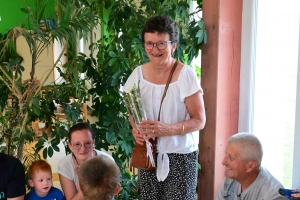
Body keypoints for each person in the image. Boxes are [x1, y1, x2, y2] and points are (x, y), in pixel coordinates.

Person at [123, 15, 206, 200]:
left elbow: (200, 121)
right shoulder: (137, 74)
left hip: (180, 158)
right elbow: (132, 110)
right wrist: (135, 128)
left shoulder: (185, 75)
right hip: (149, 154)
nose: (155, 50)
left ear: (173, 45)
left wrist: (167, 129)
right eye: (149, 44)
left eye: (161, 44)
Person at [216, 132, 287, 200]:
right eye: (226, 154)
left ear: (250, 166)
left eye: (231, 158)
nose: (223, 162)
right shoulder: (231, 178)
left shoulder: (271, 196)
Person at [58, 122, 114, 200]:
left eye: (87, 143)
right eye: (77, 144)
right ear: (70, 146)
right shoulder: (65, 165)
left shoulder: (107, 161)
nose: (83, 149)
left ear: (93, 143)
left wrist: (87, 177)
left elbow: (108, 196)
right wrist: (84, 181)